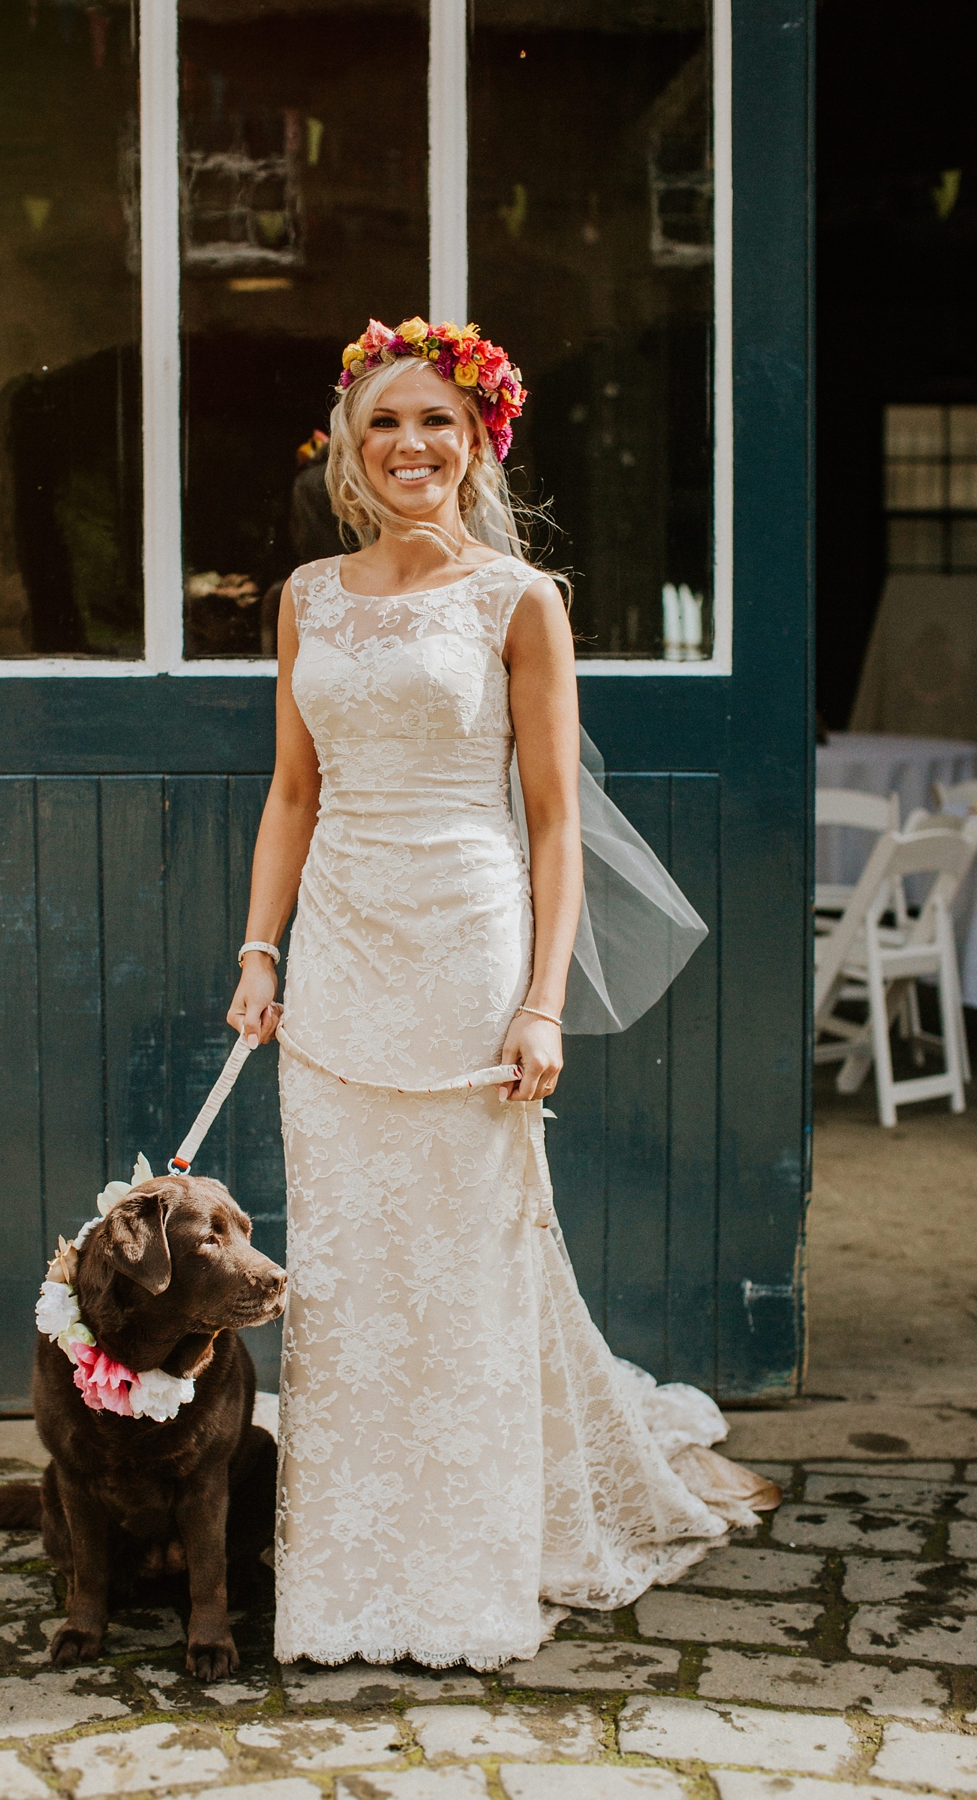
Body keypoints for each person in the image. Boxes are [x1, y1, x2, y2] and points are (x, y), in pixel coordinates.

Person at [227, 317, 777, 1672]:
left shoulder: (519, 601)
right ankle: (350, 1568)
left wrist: (539, 1002)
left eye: (437, 424)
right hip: (345, 950)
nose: (412, 446)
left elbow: (548, 822)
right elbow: (293, 790)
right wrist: (259, 952)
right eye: (385, 427)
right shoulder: (307, 594)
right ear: (352, 456)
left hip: (467, 941)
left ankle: (474, 1569)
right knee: (351, 1262)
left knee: (470, 1252)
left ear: (477, 445)